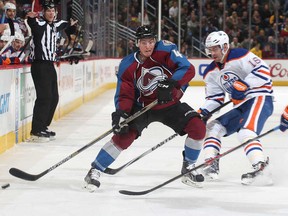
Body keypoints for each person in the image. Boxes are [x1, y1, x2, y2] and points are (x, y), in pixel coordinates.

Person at [84, 25, 206, 192]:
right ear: (136, 43)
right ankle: (95, 170)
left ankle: (189, 167)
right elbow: (125, 93)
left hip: (169, 105)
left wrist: (171, 84)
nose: (148, 46)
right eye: (144, 42)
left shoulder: (165, 50)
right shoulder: (127, 65)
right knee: (123, 136)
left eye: (151, 41)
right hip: (143, 107)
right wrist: (121, 113)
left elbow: (187, 68)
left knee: (197, 128)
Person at [199, 31, 274, 185]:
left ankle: (261, 168)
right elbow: (215, 99)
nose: (211, 53)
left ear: (225, 46)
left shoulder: (240, 55)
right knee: (213, 127)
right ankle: (211, 165)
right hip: (240, 105)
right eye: (210, 49)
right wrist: (203, 112)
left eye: (215, 49)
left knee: (246, 132)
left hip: (259, 98)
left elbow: (263, 70)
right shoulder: (210, 72)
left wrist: (245, 85)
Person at [27, 0, 77, 142]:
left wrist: (71, 24)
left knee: (54, 97)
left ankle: (43, 126)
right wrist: (30, 17)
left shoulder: (55, 25)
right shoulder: (39, 24)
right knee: (44, 97)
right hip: (39, 65)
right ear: (43, 12)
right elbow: (32, 23)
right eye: (48, 11)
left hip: (50, 65)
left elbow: (66, 25)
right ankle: (36, 130)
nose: (51, 13)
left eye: (53, 11)